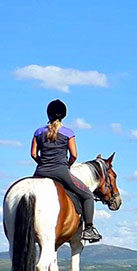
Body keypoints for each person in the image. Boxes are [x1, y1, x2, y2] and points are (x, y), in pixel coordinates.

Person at [31, 99, 101, 243]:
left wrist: (43, 163)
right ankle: (88, 229)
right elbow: (74, 155)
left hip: (40, 172)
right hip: (61, 172)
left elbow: (33, 154)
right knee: (87, 195)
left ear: (48, 114)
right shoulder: (68, 133)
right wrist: (67, 165)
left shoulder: (38, 132)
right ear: (63, 115)